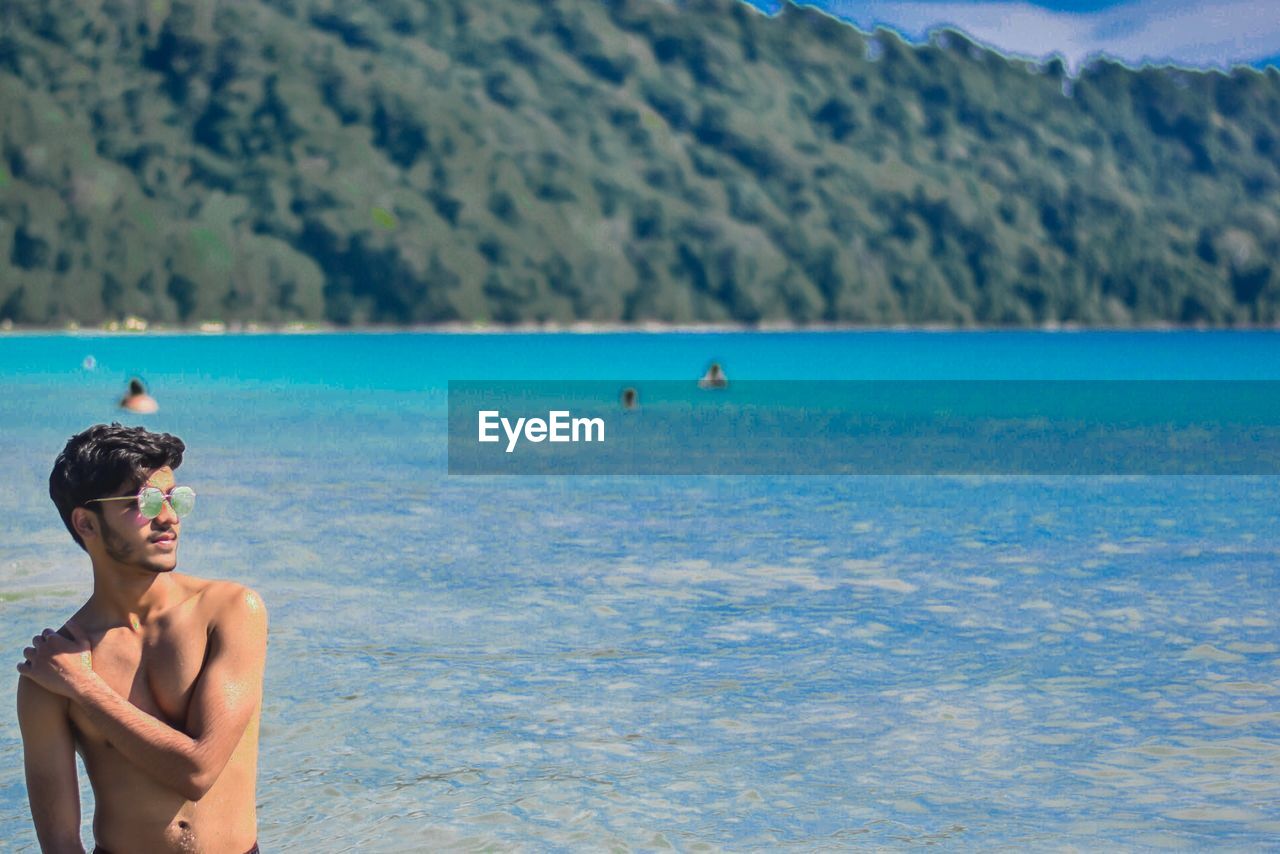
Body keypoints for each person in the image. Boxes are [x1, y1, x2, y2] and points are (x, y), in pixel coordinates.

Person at [16, 424, 267, 854]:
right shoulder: (49, 672)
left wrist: (85, 687)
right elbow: (59, 843)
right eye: (146, 502)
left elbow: (198, 771)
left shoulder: (230, 612)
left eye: (175, 499)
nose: (168, 517)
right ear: (86, 523)